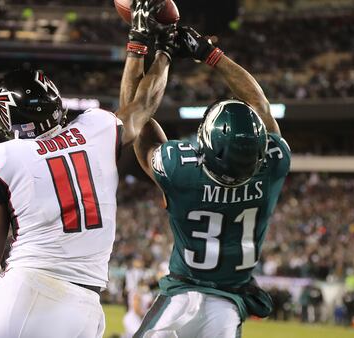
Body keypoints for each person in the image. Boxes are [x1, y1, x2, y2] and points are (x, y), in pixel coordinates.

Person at [0, 1, 176, 336]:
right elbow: (143, 105)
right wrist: (163, 49)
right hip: (87, 306)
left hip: (27, 287)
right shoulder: (96, 128)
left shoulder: (4, 157)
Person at [132, 26, 291, 338]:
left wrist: (157, 54)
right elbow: (259, 103)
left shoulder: (182, 170)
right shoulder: (274, 163)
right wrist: (211, 55)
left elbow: (137, 120)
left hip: (180, 294)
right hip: (227, 306)